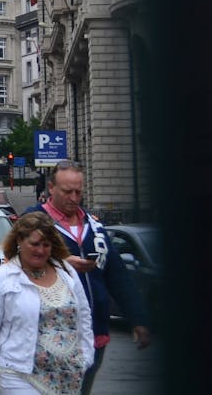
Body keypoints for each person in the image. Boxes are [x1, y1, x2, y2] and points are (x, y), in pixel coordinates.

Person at [25, 160, 152, 394]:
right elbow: (13, 261)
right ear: (51, 188)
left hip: (95, 330)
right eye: (67, 192)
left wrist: (138, 318)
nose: (74, 198)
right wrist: (60, 262)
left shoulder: (95, 226)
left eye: (78, 192)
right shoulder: (33, 220)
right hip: (52, 332)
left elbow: (117, 275)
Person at [0, 211, 93, 395]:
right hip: (19, 375)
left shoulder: (68, 273)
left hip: (68, 377)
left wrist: (86, 357)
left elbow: (84, 318)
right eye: (34, 244)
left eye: (46, 245)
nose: (40, 250)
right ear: (19, 240)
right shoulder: (1, 278)